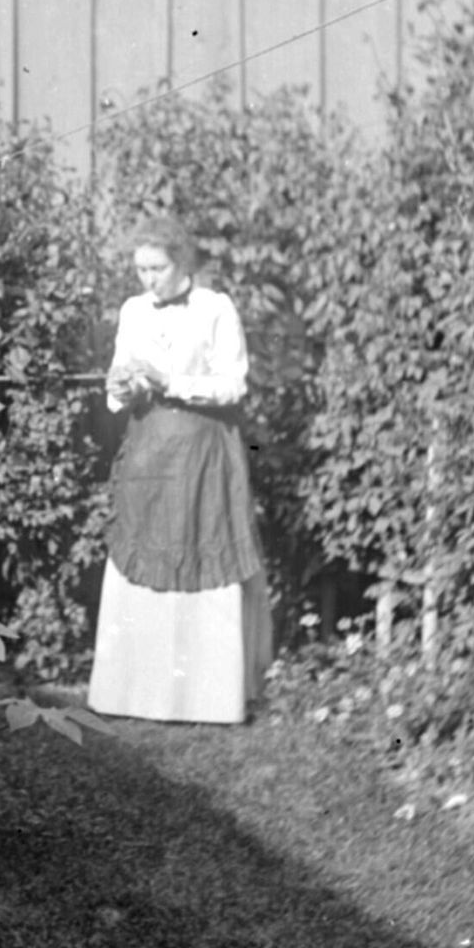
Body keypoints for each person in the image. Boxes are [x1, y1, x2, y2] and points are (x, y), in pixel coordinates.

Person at [88, 221, 274, 725]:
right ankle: (130, 697)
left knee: (201, 544)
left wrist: (169, 380)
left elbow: (233, 385)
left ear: (183, 263)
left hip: (202, 450)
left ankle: (206, 701)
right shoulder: (133, 310)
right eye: (141, 270)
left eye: (157, 268)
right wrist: (123, 387)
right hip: (149, 448)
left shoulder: (216, 308)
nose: (148, 279)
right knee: (143, 552)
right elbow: (119, 384)